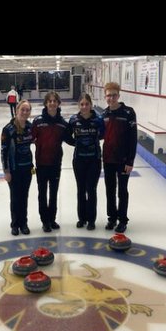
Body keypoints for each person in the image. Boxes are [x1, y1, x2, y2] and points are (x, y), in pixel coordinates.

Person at [31, 91, 72, 233]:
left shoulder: (62, 123)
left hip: (55, 164)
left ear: (58, 103)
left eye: (55, 101)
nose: (52, 103)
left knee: (53, 193)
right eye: (50, 101)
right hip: (41, 164)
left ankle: (52, 219)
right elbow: (28, 137)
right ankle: (45, 221)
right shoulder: (38, 122)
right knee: (42, 193)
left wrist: (87, 139)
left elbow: (70, 139)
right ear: (46, 103)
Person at [102, 82, 137, 232]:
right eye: (108, 95)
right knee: (110, 190)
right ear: (105, 96)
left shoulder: (128, 113)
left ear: (119, 95)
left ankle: (122, 219)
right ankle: (112, 218)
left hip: (123, 160)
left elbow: (133, 138)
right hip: (108, 159)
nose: (111, 98)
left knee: (122, 190)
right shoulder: (104, 115)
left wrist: (130, 161)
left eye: (114, 95)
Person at [69, 93, 105, 230]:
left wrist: (92, 143)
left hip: (94, 160)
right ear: (79, 105)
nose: (84, 107)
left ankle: (91, 220)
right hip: (79, 160)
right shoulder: (73, 120)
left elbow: (102, 134)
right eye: (82, 104)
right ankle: (81, 218)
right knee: (80, 190)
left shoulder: (98, 120)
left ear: (91, 105)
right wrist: (77, 143)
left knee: (91, 190)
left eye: (87, 104)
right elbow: (67, 135)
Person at [1, 100, 34, 236]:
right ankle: (15, 224)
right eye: (23, 110)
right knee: (15, 198)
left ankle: (24, 223)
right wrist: (6, 171)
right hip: (14, 170)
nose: (25, 112)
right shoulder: (8, 129)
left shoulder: (31, 127)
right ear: (17, 110)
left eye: (27, 110)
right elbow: (4, 151)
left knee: (24, 197)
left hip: (27, 168)